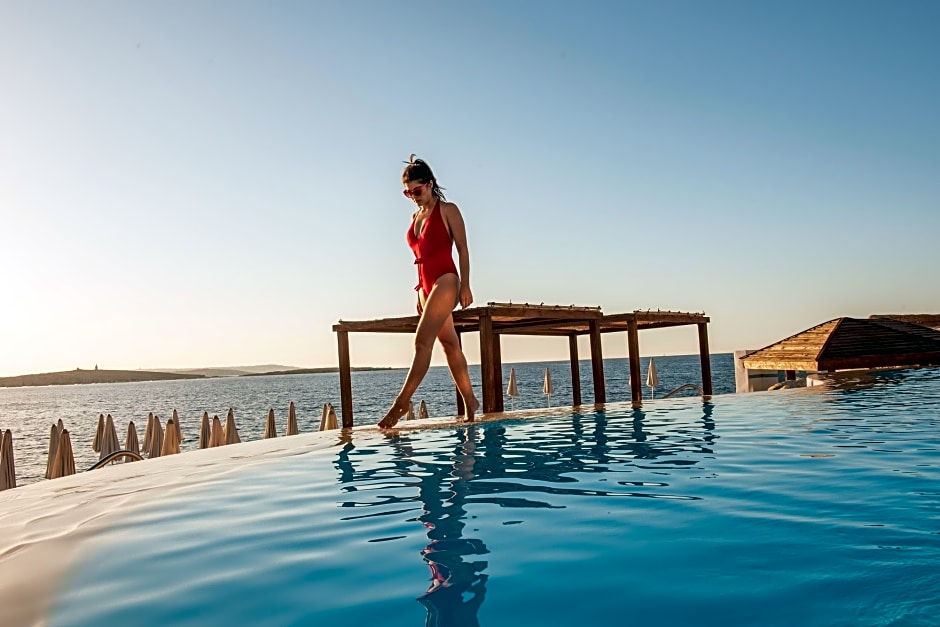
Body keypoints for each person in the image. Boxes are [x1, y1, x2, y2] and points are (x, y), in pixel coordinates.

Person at [378, 156, 480, 428]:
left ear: (430, 184)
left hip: (446, 280)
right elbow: (420, 257)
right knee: (450, 345)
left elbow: (463, 249)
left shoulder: (448, 210)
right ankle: (470, 400)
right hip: (425, 287)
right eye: (408, 193)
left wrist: (466, 284)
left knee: (422, 342)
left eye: (417, 190)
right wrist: (419, 292)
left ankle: (401, 403)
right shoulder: (415, 217)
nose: (413, 196)